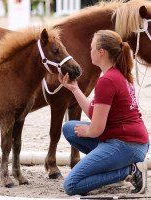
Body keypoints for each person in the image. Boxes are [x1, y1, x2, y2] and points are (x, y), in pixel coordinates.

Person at [59, 30, 149, 195]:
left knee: (71, 185)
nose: (89, 51)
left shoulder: (107, 80)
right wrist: (74, 89)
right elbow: (95, 114)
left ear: (101, 52)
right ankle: (115, 167)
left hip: (127, 144)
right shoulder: (116, 73)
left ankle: (129, 170)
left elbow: (96, 129)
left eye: (92, 47)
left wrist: (88, 131)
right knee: (69, 128)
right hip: (131, 141)